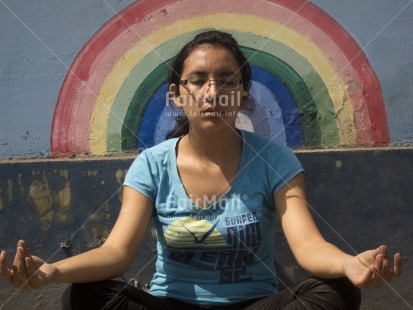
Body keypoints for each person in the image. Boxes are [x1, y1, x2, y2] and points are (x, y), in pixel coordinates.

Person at [0, 30, 402, 310]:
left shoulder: (275, 160)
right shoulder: (152, 165)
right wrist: (51, 271)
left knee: (337, 294)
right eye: (198, 80)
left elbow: (308, 248)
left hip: (257, 304)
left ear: (242, 94)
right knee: (82, 297)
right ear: (177, 94)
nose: (212, 92)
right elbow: (116, 253)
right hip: (169, 305)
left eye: (227, 80)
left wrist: (350, 264)